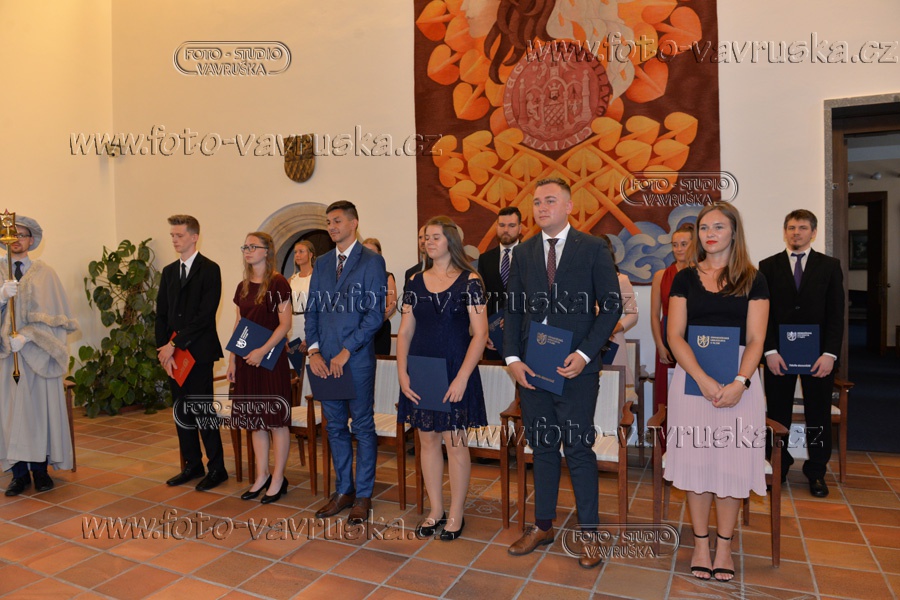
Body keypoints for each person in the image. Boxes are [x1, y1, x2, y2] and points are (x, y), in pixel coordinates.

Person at [503, 178, 621, 569]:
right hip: (533, 368)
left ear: (569, 206)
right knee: (542, 448)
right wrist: (512, 359)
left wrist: (586, 354)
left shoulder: (592, 248)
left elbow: (612, 306)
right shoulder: (524, 252)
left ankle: (590, 535)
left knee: (578, 449)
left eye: (550, 201)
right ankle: (542, 526)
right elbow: (514, 309)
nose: (541, 207)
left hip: (576, 370)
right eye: (536, 202)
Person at [664, 202, 769, 582]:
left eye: (718, 227)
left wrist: (740, 382)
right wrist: (703, 379)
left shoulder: (754, 279)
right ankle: (701, 544)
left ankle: (724, 546)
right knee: (696, 465)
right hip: (692, 382)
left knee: (731, 466)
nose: (710, 234)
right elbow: (675, 335)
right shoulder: (684, 279)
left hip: (740, 384)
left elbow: (756, 339)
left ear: (733, 232)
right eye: (704, 227)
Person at [397, 216, 489, 541]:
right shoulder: (414, 282)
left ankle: (456, 513)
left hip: (455, 370)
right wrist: (402, 373)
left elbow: (480, 334)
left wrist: (463, 377)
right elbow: (404, 332)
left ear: (451, 241)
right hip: (422, 369)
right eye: (425, 237)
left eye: (435, 237)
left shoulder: (470, 281)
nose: (428, 242)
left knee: (456, 443)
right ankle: (435, 510)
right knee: (427, 440)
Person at [306, 201, 386, 524]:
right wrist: (313, 351)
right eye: (328, 222)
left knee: (363, 427)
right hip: (324, 361)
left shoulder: (372, 261)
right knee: (335, 427)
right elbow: (312, 309)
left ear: (354, 223)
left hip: (356, 360)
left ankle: (363, 496)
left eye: (337, 221)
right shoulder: (323, 263)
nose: (332, 227)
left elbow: (374, 315)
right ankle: (344, 491)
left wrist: (346, 350)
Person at [760, 210, 843, 498]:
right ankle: (779, 467)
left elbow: (836, 314)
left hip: (819, 357)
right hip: (778, 357)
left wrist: (830, 354)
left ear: (813, 232)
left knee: (818, 414)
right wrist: (769, 350)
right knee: (777, 415)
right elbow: (762, 314)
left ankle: (816, 472)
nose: (796, 232)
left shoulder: (830, 266)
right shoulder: (767, 266)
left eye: (803, 227)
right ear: (785, 231)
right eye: (792, 227)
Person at [1, 215, 78, 496]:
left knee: (39, 414)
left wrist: (28, 336)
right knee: (13, 415)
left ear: (31, 240)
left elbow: (57, 320)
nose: (16, 240)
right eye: (11, 235)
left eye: (22, 235)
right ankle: (19, 475)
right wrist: (1, 296)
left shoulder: (46, 275)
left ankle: (41, 471)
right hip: (7, 358)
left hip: (39, 359)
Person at [156, 215, 227, 492]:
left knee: (202, 410)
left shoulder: (210, 269)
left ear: (194, 237)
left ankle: (217, 468)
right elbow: (161, 314)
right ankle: (192, 464)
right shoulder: (168, 271)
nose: (175, 240)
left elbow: (205, 315)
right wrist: (163, 350)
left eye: (180, 235)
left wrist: (175, 344)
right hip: (172, 354)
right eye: (172, 236)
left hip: (198, 352)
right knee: (181, 411)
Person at [227, 231, 293, 504]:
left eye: (253, 246)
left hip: (270, 360)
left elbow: (285, 324)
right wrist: (232, 359)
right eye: (245, 246)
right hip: (246, 362)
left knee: (275, 421)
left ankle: (278, 478)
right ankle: (261, 475)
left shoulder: (278, 283)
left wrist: (262, 350)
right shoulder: (242, 286)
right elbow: (239, 323)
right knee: (256, 421)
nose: (248, 250)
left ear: (267, 251)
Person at [650, 223, 695, 414]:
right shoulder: (661, 276)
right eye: (675, 245)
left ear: (694, 244)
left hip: (694, 337)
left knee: (693, 390)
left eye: (684, 244)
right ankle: (665, 432)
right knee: (666, 394)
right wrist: (660, 346)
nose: (678, 249)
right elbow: (654, 314)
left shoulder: (703, 274)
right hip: (667, 337)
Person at [477, 207, 522, 360]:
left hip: (522, 336)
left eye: (511, 225)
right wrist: (483, 333)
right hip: (493, 338)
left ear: (520, 228)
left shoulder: (532, 256)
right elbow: (482, 300)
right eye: (502, 225)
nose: (506, 230)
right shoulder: (485, 259)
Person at [599, 234, 638, 386]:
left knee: (613, 389)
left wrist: (614, 327)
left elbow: (632, 314)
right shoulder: (580, 279)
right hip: (585, 341)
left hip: (612, 340)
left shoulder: (621, 280)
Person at [362, 238, 397, 356]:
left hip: (380, 329)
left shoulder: (387, 276)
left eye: (371, 251)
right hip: (359, 330)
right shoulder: (355, 277)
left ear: (379, 254)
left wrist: (375, 321)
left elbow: (392, 305)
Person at [289, 239, 315, 353]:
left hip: (308, 323)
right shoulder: (291, 279)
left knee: (308, 361)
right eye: (295, 252)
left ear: (310, 254)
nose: (297, 255)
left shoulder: (317, 278)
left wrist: (310, 335)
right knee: (293, 360)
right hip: (292, 325)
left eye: (301, 251)